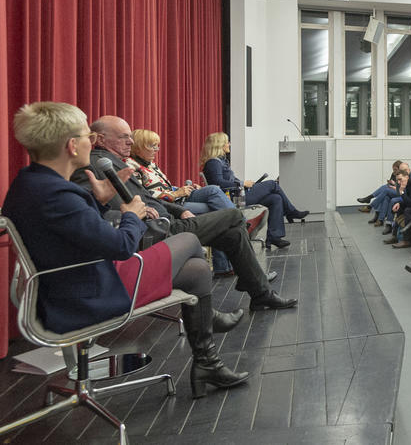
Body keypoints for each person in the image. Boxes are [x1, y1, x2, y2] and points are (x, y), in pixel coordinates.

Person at [2, 102, 248, 398]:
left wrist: (99, 198)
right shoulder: (57, 195)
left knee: (196, 271)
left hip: (68, 287)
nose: (90, 142)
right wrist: (133, 213)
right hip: (88, 295)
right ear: (71, 145)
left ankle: (208, 362)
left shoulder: (31, 183)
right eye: (86, 136)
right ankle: (208, 345)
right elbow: (120, 246)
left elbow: (77, 229)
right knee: (191, 242)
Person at [76, 117, 294, 312]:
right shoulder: (98, 164)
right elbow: (106, 208)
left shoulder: (115, 163)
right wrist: (137, 213)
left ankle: (260, 294)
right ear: (102, 140)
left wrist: (181, 210)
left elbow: (149, 197)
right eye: (124, 137)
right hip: (158, 230)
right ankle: (250, 252)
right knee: (233, 217)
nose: (131, 142)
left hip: (168, 220)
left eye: (130, 137)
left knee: (233, 234)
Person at [128, 128, 239, 275]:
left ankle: (225, 262)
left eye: (157, 146)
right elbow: (144, 195)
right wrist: (174, 194)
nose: (156, 150)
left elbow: (165, 186)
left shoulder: (151, 164)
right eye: (152, 146)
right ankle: (238, 228)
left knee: (213, 192)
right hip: (171, 205)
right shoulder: (131, 166)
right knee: (215, 203)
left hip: (179, 198)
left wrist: (182, 188)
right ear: (138, 146)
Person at [200, 132, 309, 249]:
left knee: (275, 198)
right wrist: (242, 183)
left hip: (238, 193)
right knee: (272, 184)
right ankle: (291, 211)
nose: (229, 144)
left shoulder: (220, 161)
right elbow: (218, 183)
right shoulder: (213, 163)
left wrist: (245, 184)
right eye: (227, 142)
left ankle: (274, 237)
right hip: (232, 198)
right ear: (219, 145)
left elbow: (227, 181)